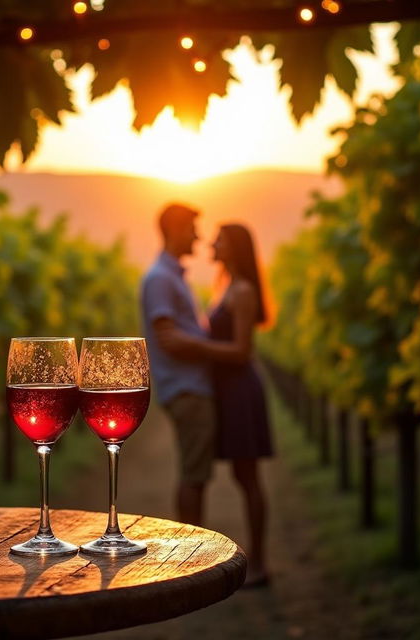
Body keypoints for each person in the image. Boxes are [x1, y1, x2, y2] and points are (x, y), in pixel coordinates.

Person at [158, 222, 273, 587]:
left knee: (247, 476)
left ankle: (259, 563)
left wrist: (191, 345)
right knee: (243, 476)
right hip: (225, 390)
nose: (212, 243)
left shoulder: (241, 290)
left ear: (235, 247)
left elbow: (242, 352)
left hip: (240, 391)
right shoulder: (227, 287)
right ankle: (226, 558)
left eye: (220, 239)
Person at [140, 203, 215, 527]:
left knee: (195, 474)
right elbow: (168, 338)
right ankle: (195, 550)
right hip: (187, 388)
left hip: (190, 387)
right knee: (194, 476)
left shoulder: (171, 276)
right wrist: (222, 350)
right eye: (192, 228)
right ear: (174, 229)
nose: (198, 237)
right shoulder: (160, 279)